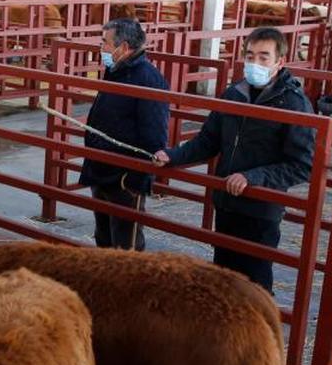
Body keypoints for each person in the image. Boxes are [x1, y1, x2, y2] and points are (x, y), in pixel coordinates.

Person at [153, 27, 315, 294]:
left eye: (264, 57)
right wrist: (173, 155)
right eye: (250, 56)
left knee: (255, 283)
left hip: (260, 207)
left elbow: (301, 165)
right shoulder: (233, 94)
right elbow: (208, 141)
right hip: (227, 201)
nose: (254, 64)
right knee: (225, 277)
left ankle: (262, 333)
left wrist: (253, 178)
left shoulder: (294, 105)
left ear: (280, 62)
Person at [78, 17, 170, 251]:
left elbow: (155, 133)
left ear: (124, 47)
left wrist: (137, 178)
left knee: (126, 243)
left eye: (105, 43)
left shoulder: (148, 80)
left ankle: (128, 286)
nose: (102, 49)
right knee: (104, 236)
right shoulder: (116, 70)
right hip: (102, 168)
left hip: (124, 176)